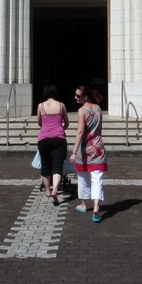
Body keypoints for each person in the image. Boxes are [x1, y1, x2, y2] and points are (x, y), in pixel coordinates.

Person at [69, 84, 107, 223]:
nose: (75, 97)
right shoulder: (98, 109)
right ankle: (96, 207)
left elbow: (80, 132)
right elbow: (99, 129)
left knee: (83, 177)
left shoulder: (81, 111)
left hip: (85, 149)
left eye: (78, 96)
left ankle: (84, 204)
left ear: (85, 97)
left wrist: (73, 151)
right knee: (97, 178)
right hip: (98, 147)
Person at [37, 85, 69, 205]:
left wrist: (46, 127)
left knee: (45, 165)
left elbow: (39, 122)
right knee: (57, 166)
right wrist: (61, 128)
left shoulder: (40, 106)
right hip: (59, 138)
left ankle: (47, 190)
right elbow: (66, 122)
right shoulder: (61, 105)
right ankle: (55, 189)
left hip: (43, 139)